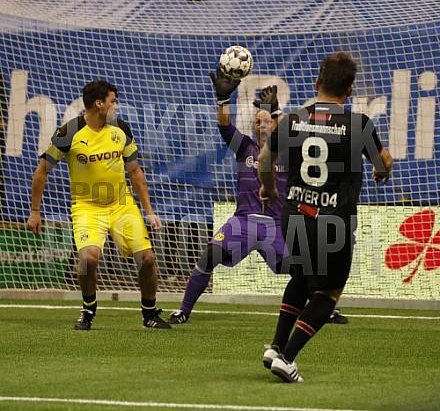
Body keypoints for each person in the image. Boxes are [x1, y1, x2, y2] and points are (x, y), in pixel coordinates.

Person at [168, 68, 347, 325]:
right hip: (243, 222)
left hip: (276, 225)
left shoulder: (288, 149)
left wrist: (276, 110)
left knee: (302, 268)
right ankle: (183, 310)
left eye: (266, 120)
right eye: (256, 121)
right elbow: (224, 125)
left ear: (275, 123)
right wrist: (222, 100)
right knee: (208, 256)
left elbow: (294, 128)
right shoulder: (244, 148)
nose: (261, 124)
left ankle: (324, 310)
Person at [258, 52, 393, 382]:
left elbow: (264, 159)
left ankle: (275, 347)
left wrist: (270, 189)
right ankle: (287, 358)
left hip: (294, 213)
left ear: (317, 83)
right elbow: (384, 162)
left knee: (302, 277)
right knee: (328, 293)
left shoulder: (292, 120)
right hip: (333, 221)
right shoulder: (359, 125)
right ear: (350, 90)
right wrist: (382, 171)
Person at [27, 80, 171, 330]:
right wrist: (35, 211)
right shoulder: (70, 132)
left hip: (121, 204)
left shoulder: (120, 129)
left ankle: (149, 314)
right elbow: (41, 172)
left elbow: (135, 171)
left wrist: (149, 211)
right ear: (98, 104)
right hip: (87, 207)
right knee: (88, 259)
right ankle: (88, 310)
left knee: (147, 258)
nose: (117, 106)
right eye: (113, 101)